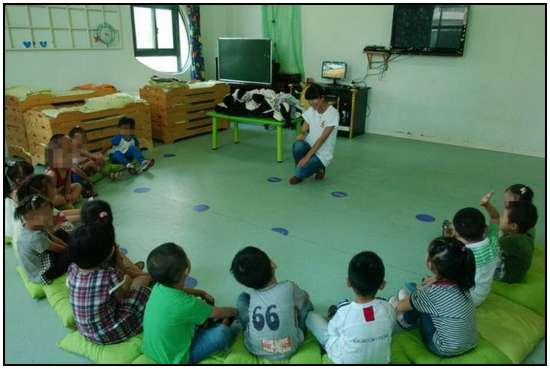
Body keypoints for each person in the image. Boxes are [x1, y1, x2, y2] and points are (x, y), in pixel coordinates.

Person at [143, 243, 239, 364]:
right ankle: (224, 325)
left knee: (196, 314)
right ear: (187, 269)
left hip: (152, 350)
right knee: (222, 334)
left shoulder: (158, 287)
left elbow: (180, 292)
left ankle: (209, 324)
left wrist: (200, 293)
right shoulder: (186, 304)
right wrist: (235, 311)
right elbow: (217, 312)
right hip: (176, 359)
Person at [391, 237, 477, 357]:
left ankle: (405, 321)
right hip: (470, 341)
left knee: (417, 304)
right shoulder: (463, 282)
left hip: (443, 347)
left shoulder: (430, 294)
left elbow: (399, 307)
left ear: (430, 264)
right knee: (423, 301)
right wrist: (435, 280)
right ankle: (412, 300)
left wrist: (399, 303)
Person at [67, 222, 151, 344]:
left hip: (85, 331)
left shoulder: (72, 268)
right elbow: (121, 297)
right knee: (143, 282)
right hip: (108, 333)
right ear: (111, 252)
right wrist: (124, 273)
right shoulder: (110, 275)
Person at [306, 251, 395, 364]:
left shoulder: (344, 313)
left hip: (344, 360)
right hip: (381, 361)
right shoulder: (388, 308)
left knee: (311, 317)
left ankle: (329, 318)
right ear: (382, 284)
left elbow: (332, 332)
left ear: (348, 282)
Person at [230, 246, 313, 360]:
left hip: (257, 349)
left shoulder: (253, 296)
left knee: (242, 299)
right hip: (291, 347)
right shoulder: (288, 286)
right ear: (273, 264)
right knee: (307, 305)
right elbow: (305, 298)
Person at [481, 191, 538, 283]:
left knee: (476, 259)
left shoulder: (512, 241)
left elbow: (486, 250)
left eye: (503, 217)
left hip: (507, 276)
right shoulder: (524, 232)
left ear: (513, 226)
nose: (501, 219)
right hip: (516, 271)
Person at [14, 193, 70, 284]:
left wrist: (68, 247)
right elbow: (58, 249)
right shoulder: (34, 237)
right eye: (48, 215)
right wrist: (71, 250)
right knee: (69, 255)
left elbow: (53, 238)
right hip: (44, 273)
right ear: (33, 217)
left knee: (60, 233)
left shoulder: (33, 225)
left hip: (44, 253)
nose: (51, 216)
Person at [288, 84, 339, 185]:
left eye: (314, 99)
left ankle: (319, 168)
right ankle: (298, 172)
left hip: (322, 153)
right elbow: (303, 130)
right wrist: (302, 134)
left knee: (302, 170)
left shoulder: (332, 113)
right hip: (310, 146)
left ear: (322, 98)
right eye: (309, 100)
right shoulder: (312, 110)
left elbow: (322, 139)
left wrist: (307, 157)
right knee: (297, 145)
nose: (311, 103)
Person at [452, 205, 498, 307]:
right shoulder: (493, 243)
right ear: (485, 228)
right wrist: (487, 204)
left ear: (456, 233)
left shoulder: (463, 256)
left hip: (465, 302)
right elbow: (495, 219)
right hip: (482, 295)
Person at [44, 134, 82, 208]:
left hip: (62, 192)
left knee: (78, 186)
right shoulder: (52, 174)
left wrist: (67, 193)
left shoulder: (67, 168)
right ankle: (66, 203)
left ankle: (68, 203)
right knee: (59, 199)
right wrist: (61, 192)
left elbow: (68, 182)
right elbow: (50, 194)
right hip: (51, 195)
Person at [68, 126, 103, 198]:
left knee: (91, 163)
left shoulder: (80, 150)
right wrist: (88, 179)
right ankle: (85, 189)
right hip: (73, 174)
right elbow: (75, 169)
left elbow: (94, 157)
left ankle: (87, 187)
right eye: (77, 139)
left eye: (80, 139)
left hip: (82, 170)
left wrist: (97, 157)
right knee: (75, 174)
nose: (79, 141)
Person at [5, 160, 34, 243]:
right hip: (21, 220)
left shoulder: (22, 186)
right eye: (30, 177)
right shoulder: (14, 193)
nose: (32, 179)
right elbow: (22, 214)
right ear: (18, 179)